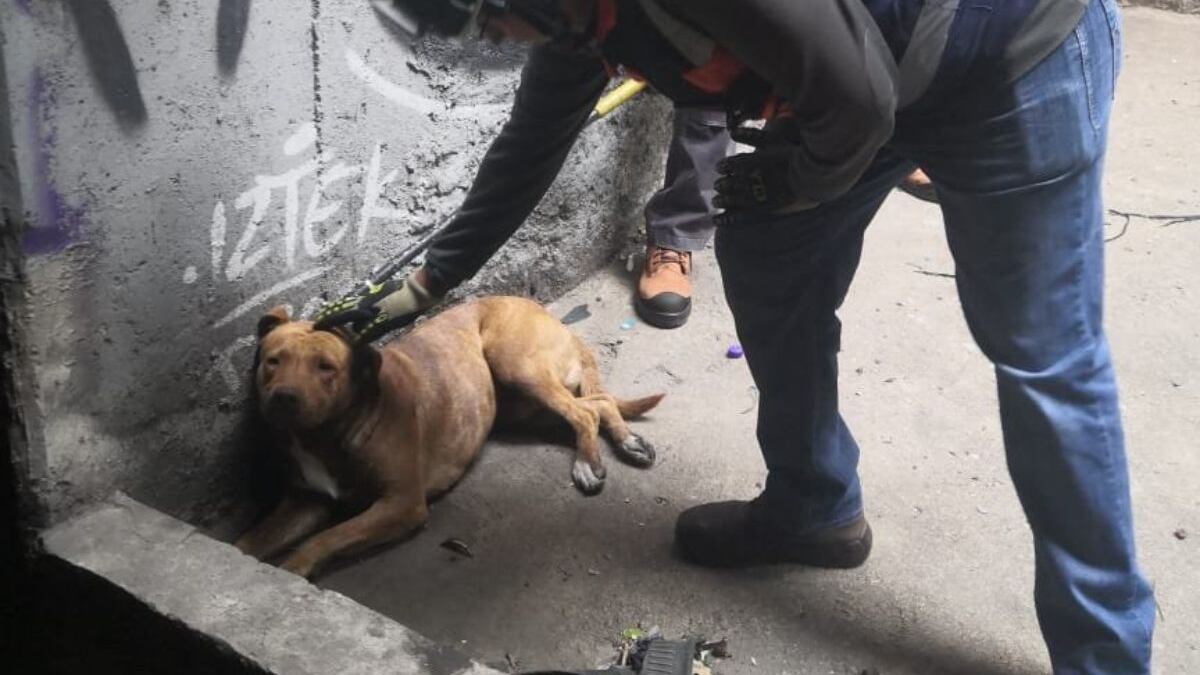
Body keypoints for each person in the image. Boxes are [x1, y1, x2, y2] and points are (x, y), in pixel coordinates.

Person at [322, 1, 1153, 671]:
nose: (491, 38)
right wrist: (423, 285)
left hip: (1009, 62)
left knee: (1045, 357)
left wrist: (793, 176)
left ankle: (1106, 656)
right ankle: (815, 504)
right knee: (769, 253)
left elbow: (858, 103)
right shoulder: (574, 19)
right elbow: (530, 145)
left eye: (484, 20)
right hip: (867, 63)